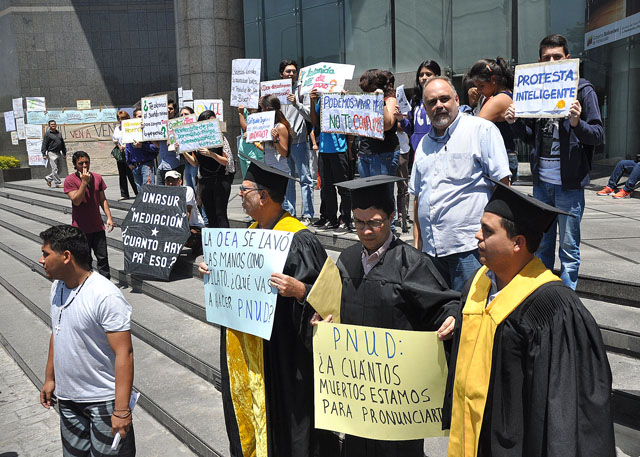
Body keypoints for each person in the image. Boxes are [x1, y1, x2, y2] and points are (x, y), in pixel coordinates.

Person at [443, 179, 615, 457]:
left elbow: (565, 410)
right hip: (470, 439)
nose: (477, 236)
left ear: (517, 243)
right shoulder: (479, 283)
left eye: (487, 231)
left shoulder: (554, 308)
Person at [312, 175, 459, 457]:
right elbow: (330, 308)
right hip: (359, 399)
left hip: (397, 405)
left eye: (374, 222)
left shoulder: (411, 263)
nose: (366, 231)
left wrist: (452, 317)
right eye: (358, 222)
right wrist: (322, 323)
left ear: (391, 218)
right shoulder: (346, 261)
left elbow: (445, 305)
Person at [198, 157, 332, 457]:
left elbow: (327, 300)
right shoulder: (250, 234)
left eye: (244, 190)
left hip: (284, 360)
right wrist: (215, 271)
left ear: (264, 195)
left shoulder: (299, 240)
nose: (239, 196)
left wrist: (301, 292)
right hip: (252, 354)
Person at [505, 34, 604, 290]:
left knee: (569, 248)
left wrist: (576, 123)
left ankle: (567, 299)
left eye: (557, 57)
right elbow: (530, 137)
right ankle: (543, 295)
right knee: (543, 244)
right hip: (542, 185)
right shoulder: (536, 90)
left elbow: (597, 135)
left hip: (569, 186)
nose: (552, 61)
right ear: (540, 62)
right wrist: (514, 123)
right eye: (547, 58)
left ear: (568, 59)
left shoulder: (583, 90)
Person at [39, 225, 135, 456]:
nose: (41, 260)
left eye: (45, 254)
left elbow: (125, 353)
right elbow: (58, 331)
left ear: (66, 257)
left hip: (103, 401)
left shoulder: (105, 295)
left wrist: (121, 410)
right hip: (69, 399)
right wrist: (50, 378)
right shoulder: (57, 287)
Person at [410, 76, 511, 292]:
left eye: (444, 99)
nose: (439, 106)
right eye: (432, 102)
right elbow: (419, 197)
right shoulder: (423, 145)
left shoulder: (481, 130)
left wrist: (496, 243)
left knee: (471, 316)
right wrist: (417, 247)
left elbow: (503, 188)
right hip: (431, 253)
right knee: (440, 317)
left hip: (469, 250)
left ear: (456, 99)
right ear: (425, 108)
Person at [64, 151, 114, 279]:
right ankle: (87, 286)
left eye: (87, 162)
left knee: (103, 259)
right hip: (81, 229)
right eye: (81, 163)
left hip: (97, 226)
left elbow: (102, 199)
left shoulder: (97, 177)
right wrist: (84, 183)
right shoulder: (70, 180)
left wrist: (109, 217)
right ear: (75, 165)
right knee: (85, 261)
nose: (84, 165)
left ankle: (106, 285)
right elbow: (76, 200)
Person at [309, 88, 353, 233]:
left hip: (339, 149)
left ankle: (345, 219)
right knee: (327, 187)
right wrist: (312, 100)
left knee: (343, 187)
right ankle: (331, 218)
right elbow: (315, 122)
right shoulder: (322, 99)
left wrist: (345, 98)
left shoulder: (342, 97)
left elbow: (351, 119)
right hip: (324, 149)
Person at [181, 110, 235, 228]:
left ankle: (226, 244)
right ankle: (214, 244)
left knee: (220, 214)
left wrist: (211, 154)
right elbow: (195, 163)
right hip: (205, 181)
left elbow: (227, 161)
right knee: (210, 215)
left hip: (220, 180)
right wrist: (183, 151)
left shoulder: (221, 138)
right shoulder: (198, 140)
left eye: (214, 121)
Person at [467, 57, 518, 182]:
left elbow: (474, 127)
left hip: (501, 159)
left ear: (493, 80)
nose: (479, 90)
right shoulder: (497, 95)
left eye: (481, 86)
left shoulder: (498, 100)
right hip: (500, 157)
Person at [280, 59, 315, 225]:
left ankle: (307, 214)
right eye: (288, 71)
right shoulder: (275, 91)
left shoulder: (303, 90)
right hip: (283, 142)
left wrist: (297, 103)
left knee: (305, 179)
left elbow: (310, 115)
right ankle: (290, 213)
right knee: (287, 180)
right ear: (281, 74)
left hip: (300, 142)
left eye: (293, 71)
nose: (291, 74)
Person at [357, 69, 400, 178]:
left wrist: (380, 102)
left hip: (382, 153)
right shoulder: (363, 100)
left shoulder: (390, 100)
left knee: (382, 193)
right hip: (364, 152)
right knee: (367, 193)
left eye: (368, 88)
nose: (366, 92)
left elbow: (387, 125)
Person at [253, 95, 294, 209]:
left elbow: (284, 152)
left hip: (279, 170)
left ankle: (288, 223)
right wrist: (254, 142)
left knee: (281, 202)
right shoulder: (267, 126)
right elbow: (268, 150)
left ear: (268, 109)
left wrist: (275, 140)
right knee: (272, 202)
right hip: (269, 168)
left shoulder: (280, 127)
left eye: (262, 108)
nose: (261, 111)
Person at [399, 60, 442, 153]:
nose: (424, 77)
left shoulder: (442, 99)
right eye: (421, 75)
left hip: (437, 150)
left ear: (437, 76)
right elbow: (411, 129)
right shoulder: (415, 100)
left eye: (428, 74)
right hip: (418, 150)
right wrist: (401, 119)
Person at [164, 170, 204, 255]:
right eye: (168, 181)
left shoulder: (187, 190)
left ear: (180, 181)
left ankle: (199, 243)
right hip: (175, 225)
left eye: (173, 180)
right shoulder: (164, 195)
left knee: (190, 236)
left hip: (192, 225)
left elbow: (187, 213)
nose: (170, 183)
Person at [125, 108, 158, 192]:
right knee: (140, 191)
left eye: (143, 116)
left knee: (149, 189)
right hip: (135, 166)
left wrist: (142, 146)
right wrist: (128, 163)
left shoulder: (149, 130)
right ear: (134, 117)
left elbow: (156, 147)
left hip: (146, 164)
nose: (141, 118)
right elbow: (127, 147)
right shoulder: (130, 129)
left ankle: (150, 205)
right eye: (139, 116)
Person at [155, 99, 184, 185]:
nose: (168, 110)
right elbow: (158, 146)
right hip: (161, 164)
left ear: (174, 110)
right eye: (165, 108)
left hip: (174, 164)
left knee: (174, 191)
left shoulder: (178, 123)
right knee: (159, 190)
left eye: (170, 108)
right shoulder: (158, 124)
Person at [112, 110, 137, 200]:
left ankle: (137, 192)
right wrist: (118, 145)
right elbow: (114, 139)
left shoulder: (130, 127)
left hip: (129, 152)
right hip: (121, 153)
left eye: (123, 118)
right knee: (122, 174)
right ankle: (124, 194)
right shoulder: (117, 129)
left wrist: (126, 145)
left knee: (131, 173)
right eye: (119, 119)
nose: (120, 120)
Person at [236, 104, 263, 178]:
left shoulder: (261, 115)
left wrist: (240, 114)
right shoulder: (245, 112)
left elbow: (246, 129)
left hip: (255, 154)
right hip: (243, 152)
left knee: (253, 180)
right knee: (246, 180)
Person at [42, 120, 67, 188]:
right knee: (55, 169)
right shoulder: (47, 134)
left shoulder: (59, 133)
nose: (53, 125)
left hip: (59, 153)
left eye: (54, 124)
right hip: (51, 153)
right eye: (52, 124)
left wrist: (64, 153)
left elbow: (62, 143)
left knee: (60, 169)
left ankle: (48, 178)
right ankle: (58, 183)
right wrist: (44, 154)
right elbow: (44, 144)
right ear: (49, 126)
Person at [179, 106, 198, 194]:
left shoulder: (196, 129)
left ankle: (201, 208)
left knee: (197, 189)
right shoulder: (179, 130)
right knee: (190, 190)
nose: (183, 116)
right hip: (187, 163)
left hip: (195, 163)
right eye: (181, 114)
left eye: (186, 114)